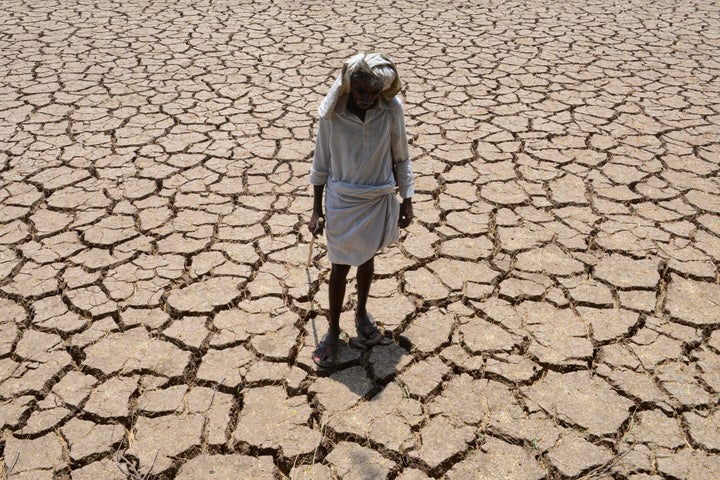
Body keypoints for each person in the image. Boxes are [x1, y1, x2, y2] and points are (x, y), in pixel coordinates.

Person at [308, 52, 414, 368]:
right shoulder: (333, 115)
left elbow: (401, 157)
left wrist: (407, 200)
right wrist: (317, 210)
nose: (367, 98)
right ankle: (332, 330)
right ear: (349, 88)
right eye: (361, 92)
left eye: (373, 92)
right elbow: (321, 164)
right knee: (339, 265)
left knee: (368, 257)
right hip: (342, 198)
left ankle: (362, 312)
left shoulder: (391, 110)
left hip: (377, 196)